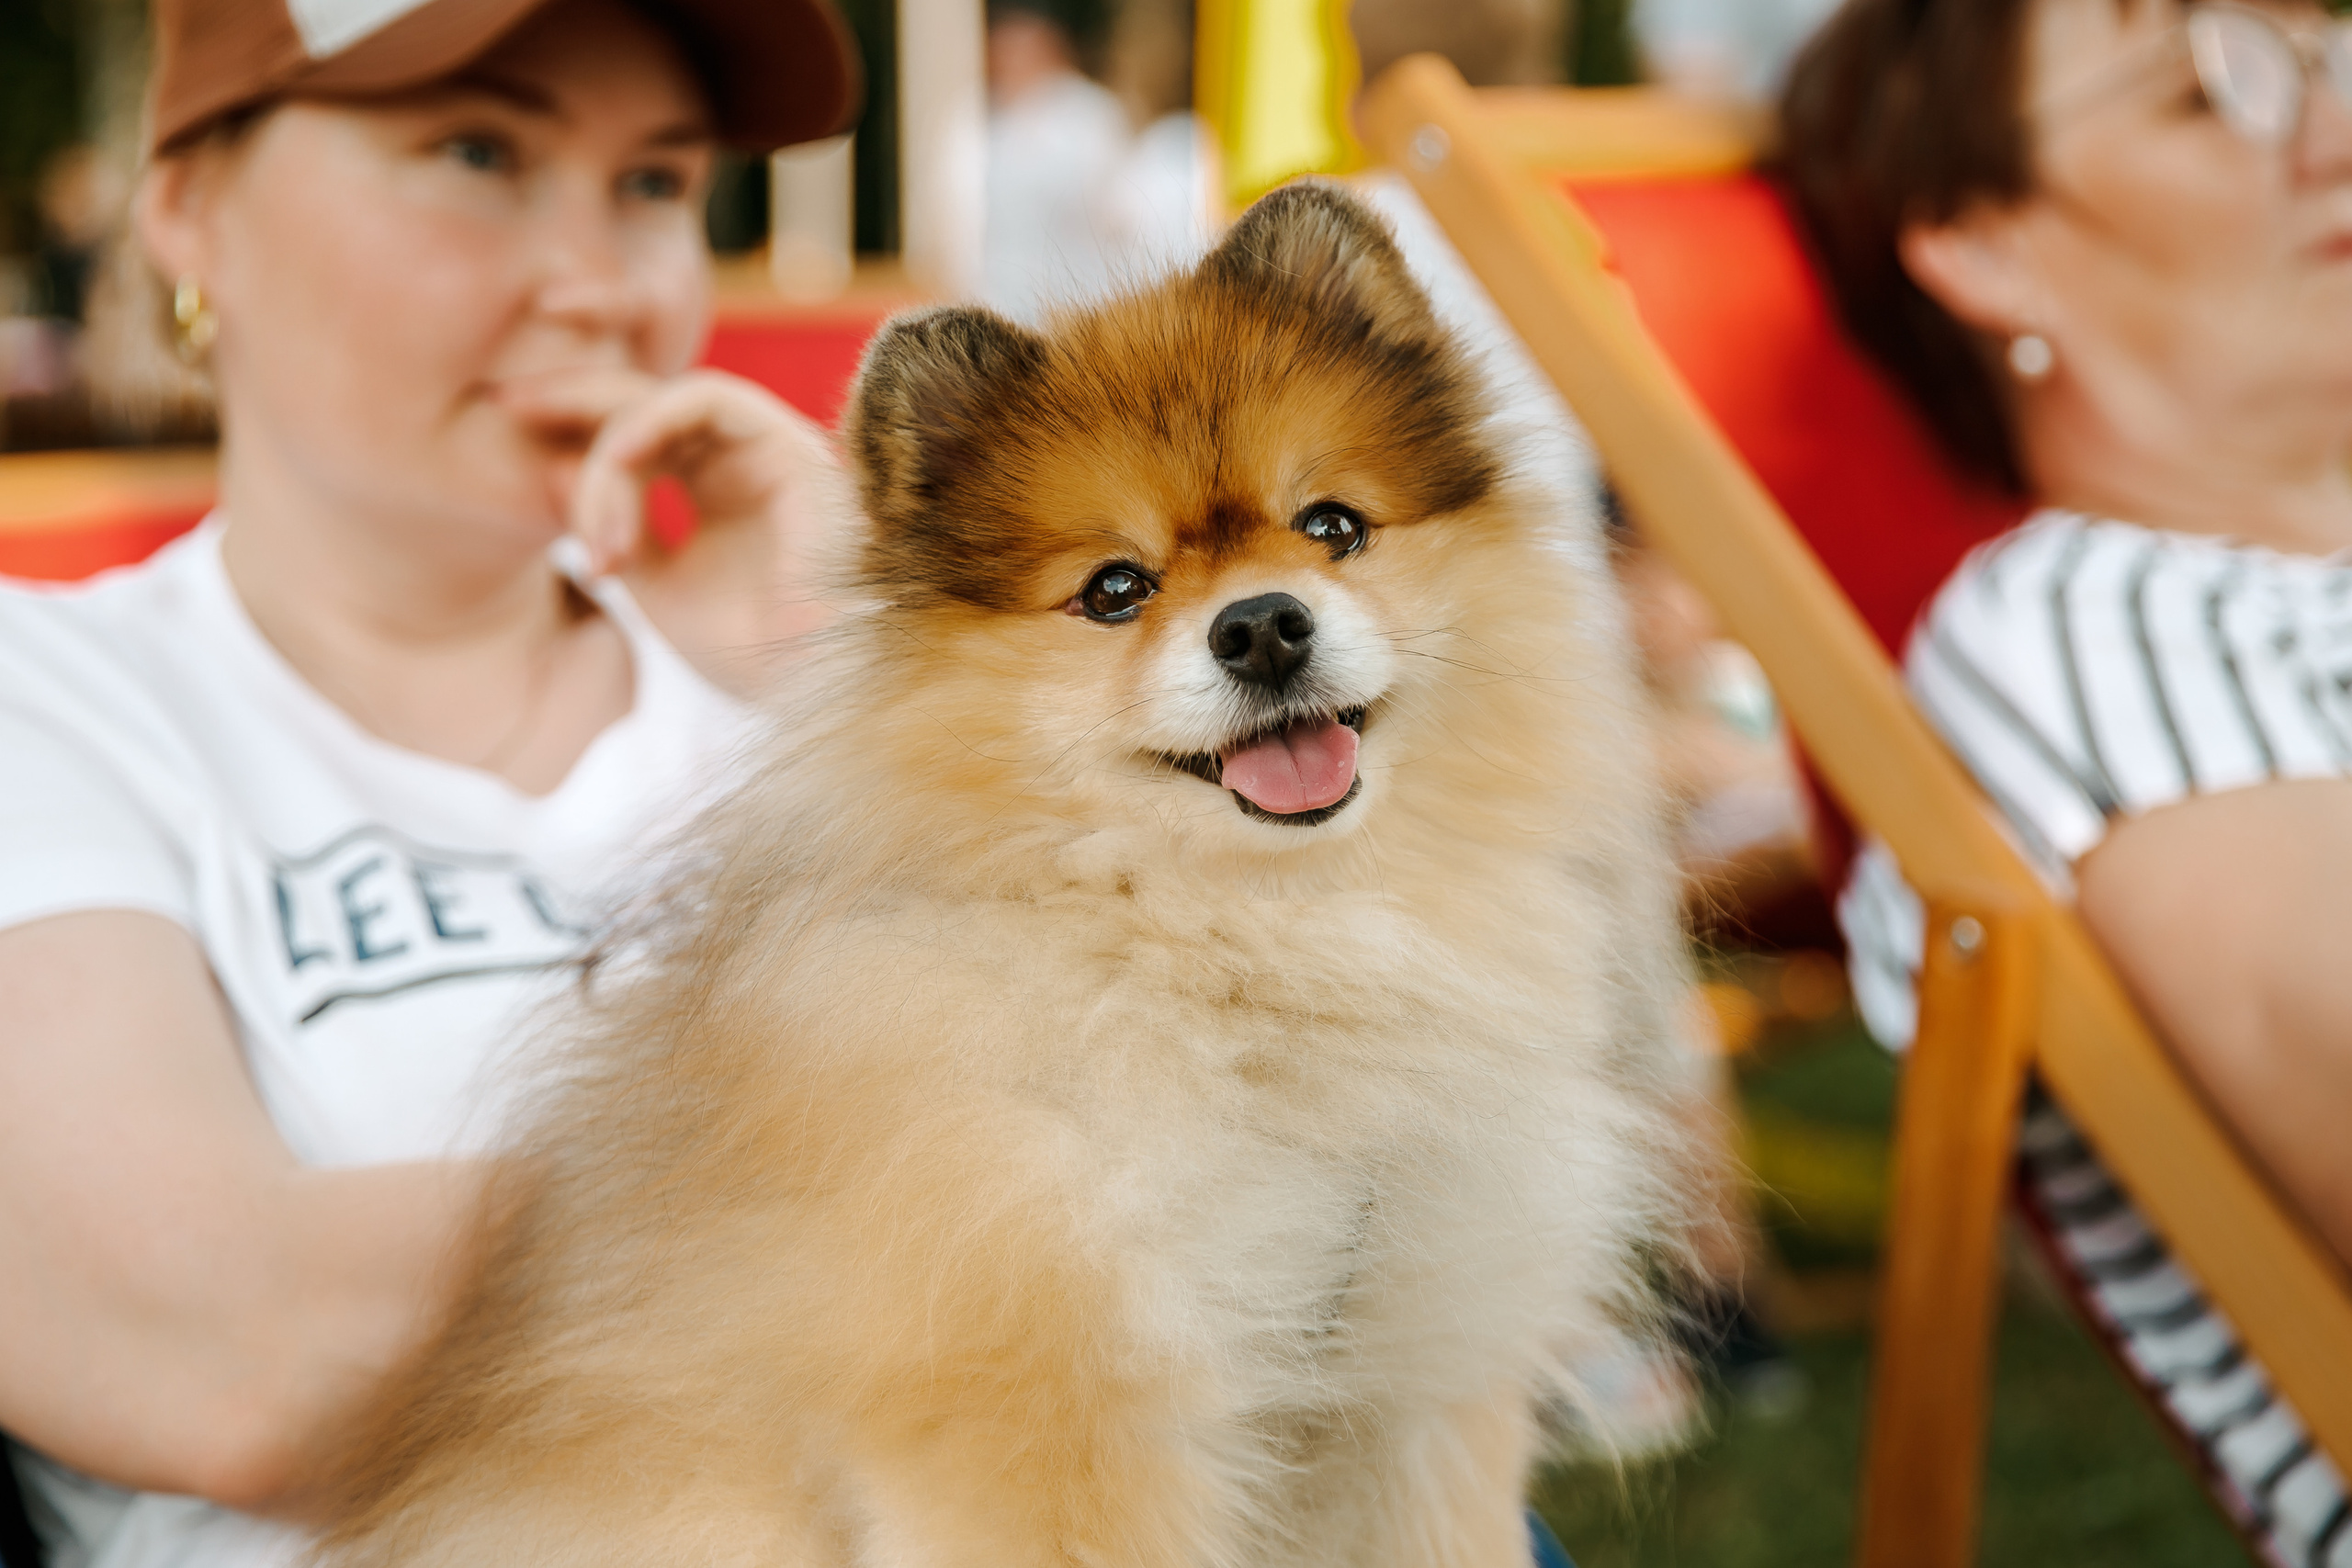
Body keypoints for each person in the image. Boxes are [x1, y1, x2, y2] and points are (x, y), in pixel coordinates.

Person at [0, 0, 858, 1561]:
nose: (603, 285)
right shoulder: (51, 696)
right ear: (191, 203)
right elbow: (227, 1345)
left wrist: (882, 659)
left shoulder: (821, 699)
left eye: (658, 184)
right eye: (479, 151)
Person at [1782, 0, 2352, 1556]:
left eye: (2326, 59)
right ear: (1983, 244)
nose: (2336, 132)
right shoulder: (2097, 630)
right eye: (2209, 94)